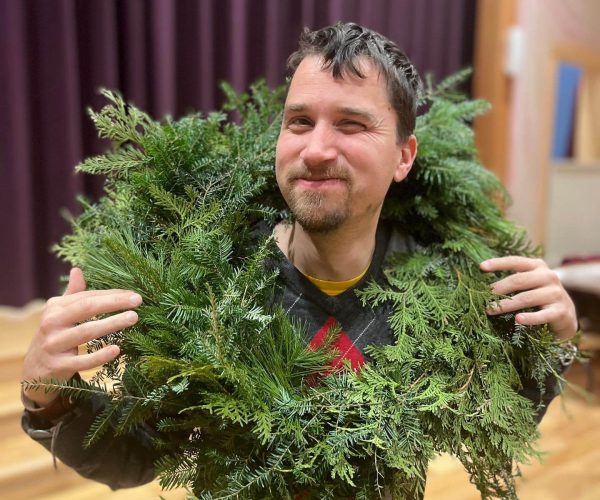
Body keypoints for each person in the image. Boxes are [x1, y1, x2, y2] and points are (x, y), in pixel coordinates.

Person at [21, 22, 577, 493]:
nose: (315, 150)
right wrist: (46, 398)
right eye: (300, 121)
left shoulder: (442, 289)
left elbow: (492, 425)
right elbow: (138, 456)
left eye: (352, 124)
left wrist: (553, 344)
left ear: (404, 156)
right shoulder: (211, 284)